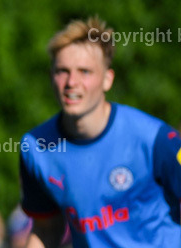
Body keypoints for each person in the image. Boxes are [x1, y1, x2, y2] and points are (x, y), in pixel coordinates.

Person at [19, 16, 181, 247]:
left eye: (84, 71)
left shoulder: (155, 139)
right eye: (62, 71)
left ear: (107, 79)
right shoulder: (36, 147)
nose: (71, 82)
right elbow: (46, 229)